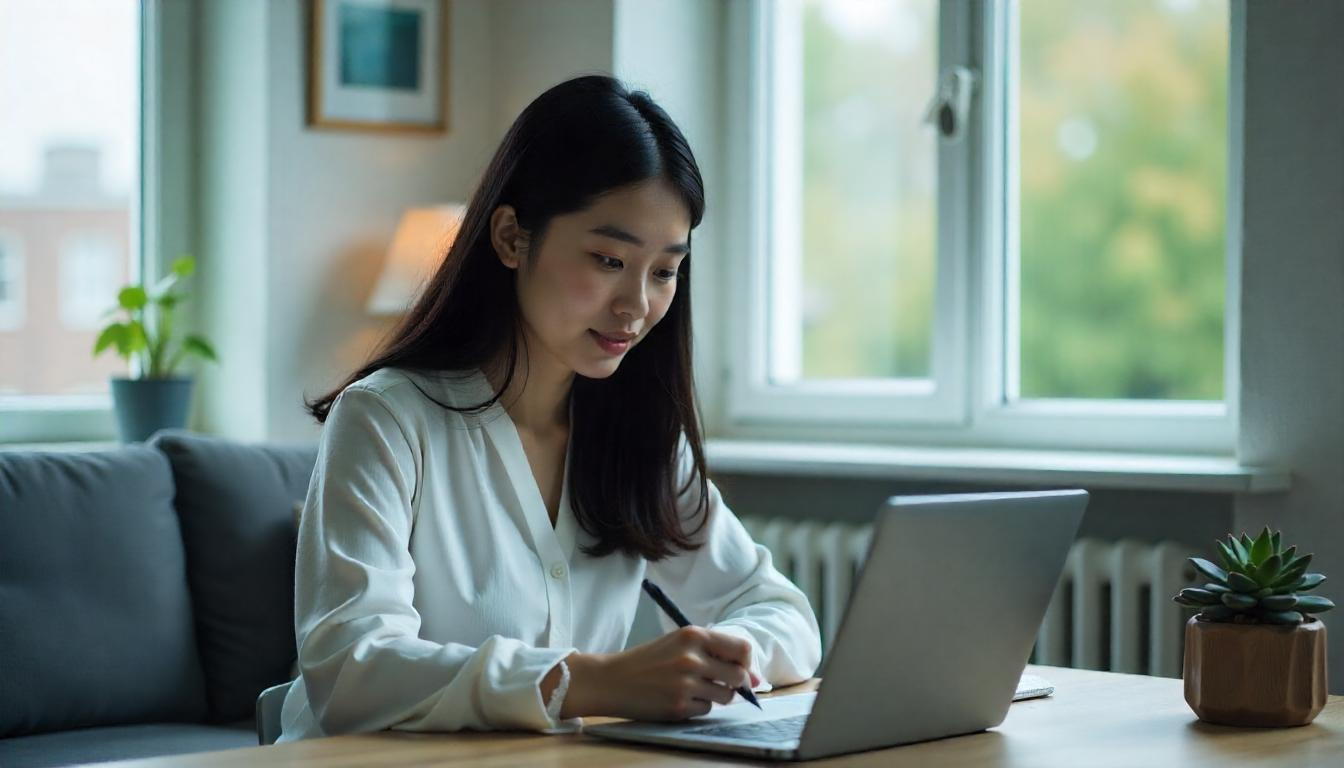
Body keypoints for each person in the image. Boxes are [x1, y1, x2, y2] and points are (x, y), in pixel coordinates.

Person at [276, 75, 821, 741]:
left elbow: (782, 613)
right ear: (510, 238)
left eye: (663, 271)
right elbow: (351, 669)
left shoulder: (637, 437)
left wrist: (724, 659)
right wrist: (587, 681)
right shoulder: (386, 420)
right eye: (607, 259)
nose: (636, 306)